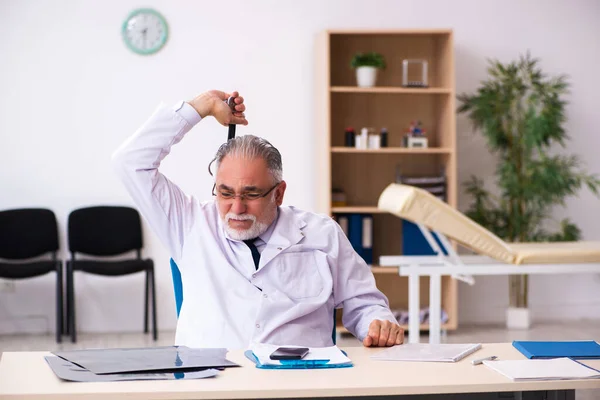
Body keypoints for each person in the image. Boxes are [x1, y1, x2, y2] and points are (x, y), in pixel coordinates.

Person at [112, 90, 404, 349]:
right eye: (225, 193)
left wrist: (377, 324)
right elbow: (131, 162)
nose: (236, 208)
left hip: (301, 383)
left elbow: (363, 303)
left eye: (250, 195)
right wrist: (199, 107)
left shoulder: (321, 232)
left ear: (279, 193)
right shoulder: (189, 223)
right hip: (212, 384)